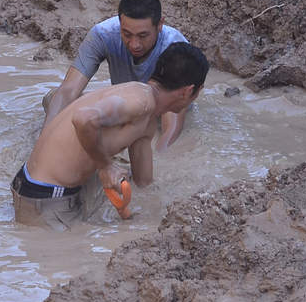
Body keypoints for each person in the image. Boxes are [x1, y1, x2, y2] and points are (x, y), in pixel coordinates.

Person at [15, 42, 209, 229]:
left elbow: (144, 182)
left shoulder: (146, 119)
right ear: (189, 91)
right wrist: (106, 166)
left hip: (42, 189)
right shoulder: (140, 101)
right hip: (43, 196)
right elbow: (83, 119)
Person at [43, 0, 191, 149]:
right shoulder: (102, 34)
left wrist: (163, 159)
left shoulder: (176, 48)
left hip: (164, 112)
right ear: (119, 23)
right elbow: (68, 91)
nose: (134, 44)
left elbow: (171, 125)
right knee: (52, 99)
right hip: (128, 107)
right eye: (126, 34)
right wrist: (43, 144)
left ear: (160, 24)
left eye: (143, 36)